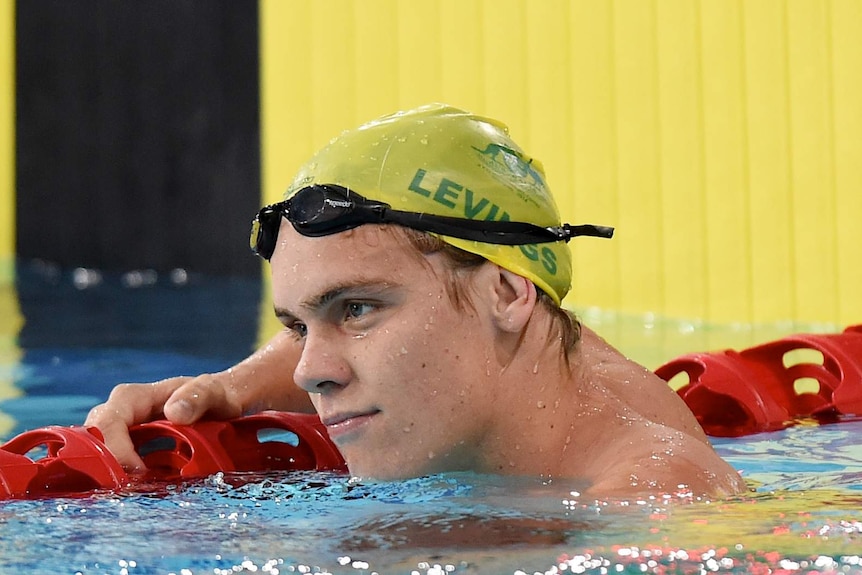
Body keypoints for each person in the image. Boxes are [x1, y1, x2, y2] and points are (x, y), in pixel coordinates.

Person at [86, 104, 746, 497]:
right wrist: (226, 388)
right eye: (298, 322)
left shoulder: (656, 500)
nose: (310, 370)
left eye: (356, 310)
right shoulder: (537, 345)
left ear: (506, 291)